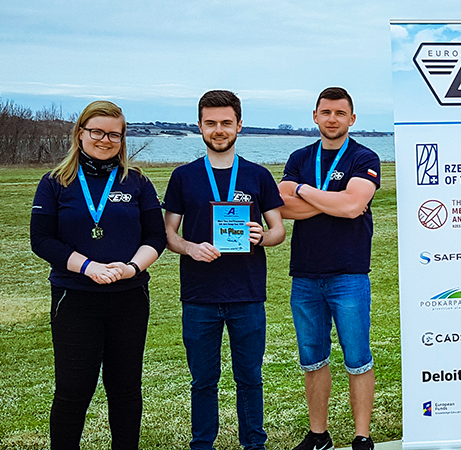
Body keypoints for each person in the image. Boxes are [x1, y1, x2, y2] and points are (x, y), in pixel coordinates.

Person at [30, 100, 167, 450]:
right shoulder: (55, 182)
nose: (105, 140)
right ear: (80, 133)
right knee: (73, 389)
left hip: (129, 297)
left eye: (114, 135)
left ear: (122, 139)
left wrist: (131, 268)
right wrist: (88, 267)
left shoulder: (137, 181)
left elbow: (156, 237)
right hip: (74, 297)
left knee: (125, 388)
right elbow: (41, 240)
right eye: (97, 132)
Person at [162, 90, 285, 450]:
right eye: (211, 123)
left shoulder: (258, 175)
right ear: (200, 126)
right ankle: (202, 444)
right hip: (199, 296)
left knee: (250, 378)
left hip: (247, 294)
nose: (219, 130)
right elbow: (168, 234)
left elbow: (279, 231)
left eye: (226, 123)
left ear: (239, 125)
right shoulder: (184, 176)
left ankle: (254, 444)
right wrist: (190, 247)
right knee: (203, 381)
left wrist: (262, 236)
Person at [277, 87, 381, 450]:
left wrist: (305, 191)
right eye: (326, 112)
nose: (332, 119)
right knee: (312, 359)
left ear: (351, 118)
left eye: (339, 113)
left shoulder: (363, 156)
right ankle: (319, 435)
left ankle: (362, 436)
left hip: (349, 274)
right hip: (305, 275)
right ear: (315, 116)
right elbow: (282, 208)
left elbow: (353, 207)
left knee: (358, 358)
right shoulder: (300, 157)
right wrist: (335, 201)